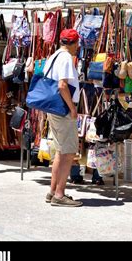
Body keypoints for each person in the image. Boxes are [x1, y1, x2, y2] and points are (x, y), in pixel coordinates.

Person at [44, 29, 83, 207]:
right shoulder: (66, 58)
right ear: (73, 43)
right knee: (68, 153)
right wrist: (72, 107)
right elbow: (62, 85)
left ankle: (53, 191)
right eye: (77, 43)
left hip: (53, 108)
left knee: (61, 151)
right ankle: (60, 195)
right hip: (63, 109)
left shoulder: (53, 56)